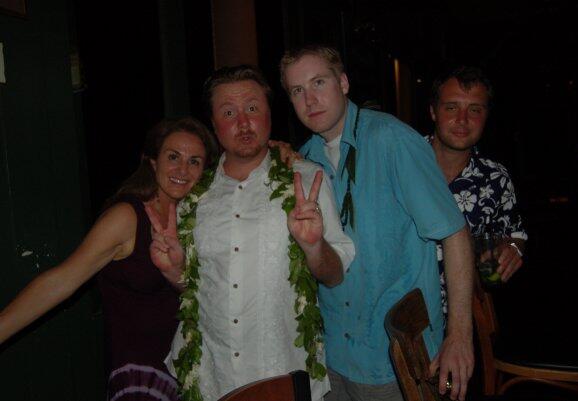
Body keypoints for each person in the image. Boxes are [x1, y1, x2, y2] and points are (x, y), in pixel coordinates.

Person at [280, 45, 474, 401]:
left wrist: (459, 335)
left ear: (343, 83)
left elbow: (455, 233)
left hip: (395, 359)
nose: (309, 99)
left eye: (318, 82)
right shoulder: (303, 160)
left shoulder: (392, 140)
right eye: (297, 90)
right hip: (333, 358)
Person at [151, 65, 355, 401]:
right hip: (211, 377)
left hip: (283, 374)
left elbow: (334, 276)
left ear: (269, 114)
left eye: (252, 108)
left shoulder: (307, 181)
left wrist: (314, 246)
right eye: (229, 112)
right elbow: (198, 290)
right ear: (214, 123)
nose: (243, 122)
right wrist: (175, 273)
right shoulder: (193, 196)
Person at [0, 117, 219, 401]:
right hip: (139, 379)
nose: (182, 169)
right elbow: (62, 280)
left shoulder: (196, 219)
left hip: (184, 374)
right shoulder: (126, 217)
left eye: (194, 161)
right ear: (152, 162)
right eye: (173, 156)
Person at [428, 66, 527, 316]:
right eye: (451, 107)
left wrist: (512, 250)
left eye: (475, 109)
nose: (462, 119)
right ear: (433, 111)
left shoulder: (495, 178)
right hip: (397, 318)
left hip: (460, 317)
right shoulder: (402, 161)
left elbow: (515, 234)